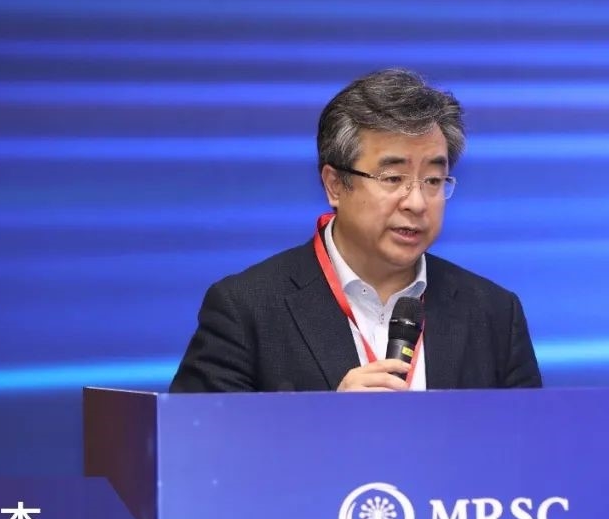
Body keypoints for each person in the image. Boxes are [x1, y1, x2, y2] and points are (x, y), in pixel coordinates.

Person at [170, 68, 541, 393]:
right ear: (335, 185)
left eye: (432, 179)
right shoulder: (246, 310)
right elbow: (197, 444)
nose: (416, 202)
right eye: (393, 178)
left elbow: (532, 445)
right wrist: (327, 424)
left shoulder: (494, 314)